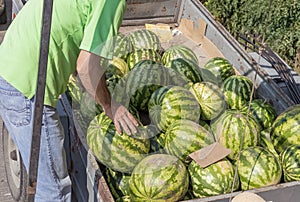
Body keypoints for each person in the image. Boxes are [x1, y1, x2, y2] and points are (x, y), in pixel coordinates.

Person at [0, 0, 138, 201]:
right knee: (53, 191)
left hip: (10, 63)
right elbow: (85, 66)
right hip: (28, 88)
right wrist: (110, 106)